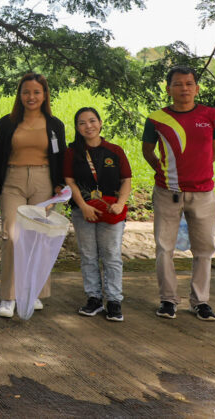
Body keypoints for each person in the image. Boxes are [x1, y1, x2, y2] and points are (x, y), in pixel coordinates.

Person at [142, 65, 215, 322]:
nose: (184, 89)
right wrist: (166, 173)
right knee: (164, 248)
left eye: (189, 84)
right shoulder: (156, 119)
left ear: (196, 88)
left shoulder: (212, 115)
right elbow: (147, 151)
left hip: (203, 194)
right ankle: (168, 300)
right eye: (178, 84)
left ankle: (200, 302)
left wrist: (196, 174)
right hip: (168, 193)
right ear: (168, 89)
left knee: (203, 249)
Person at [0, 72, 67, 318]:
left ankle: (33, 292)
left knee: (38, 238)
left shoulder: (54, 125)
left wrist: (59, 184)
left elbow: (60, 156)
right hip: (13, 181)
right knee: (12, 236)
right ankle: (8, 297)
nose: (31, 97)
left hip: (44, 181)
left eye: (36, 92)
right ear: (20, 95)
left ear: (44, 95)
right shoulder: (7, 122)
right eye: (26, 92)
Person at [64, 107, 132, 322]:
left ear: (101, 123)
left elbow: (126, 180)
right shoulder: (72, 152)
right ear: (77, 127)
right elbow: (69, 181)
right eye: (82, 123)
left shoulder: (115, 151)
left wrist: (121, 203)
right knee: (88, 255)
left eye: (92, 121)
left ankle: (114, 301)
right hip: (83, 211)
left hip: (111, 211)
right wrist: (83, 205)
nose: (88, 126)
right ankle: (93, 298)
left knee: (111, 255)